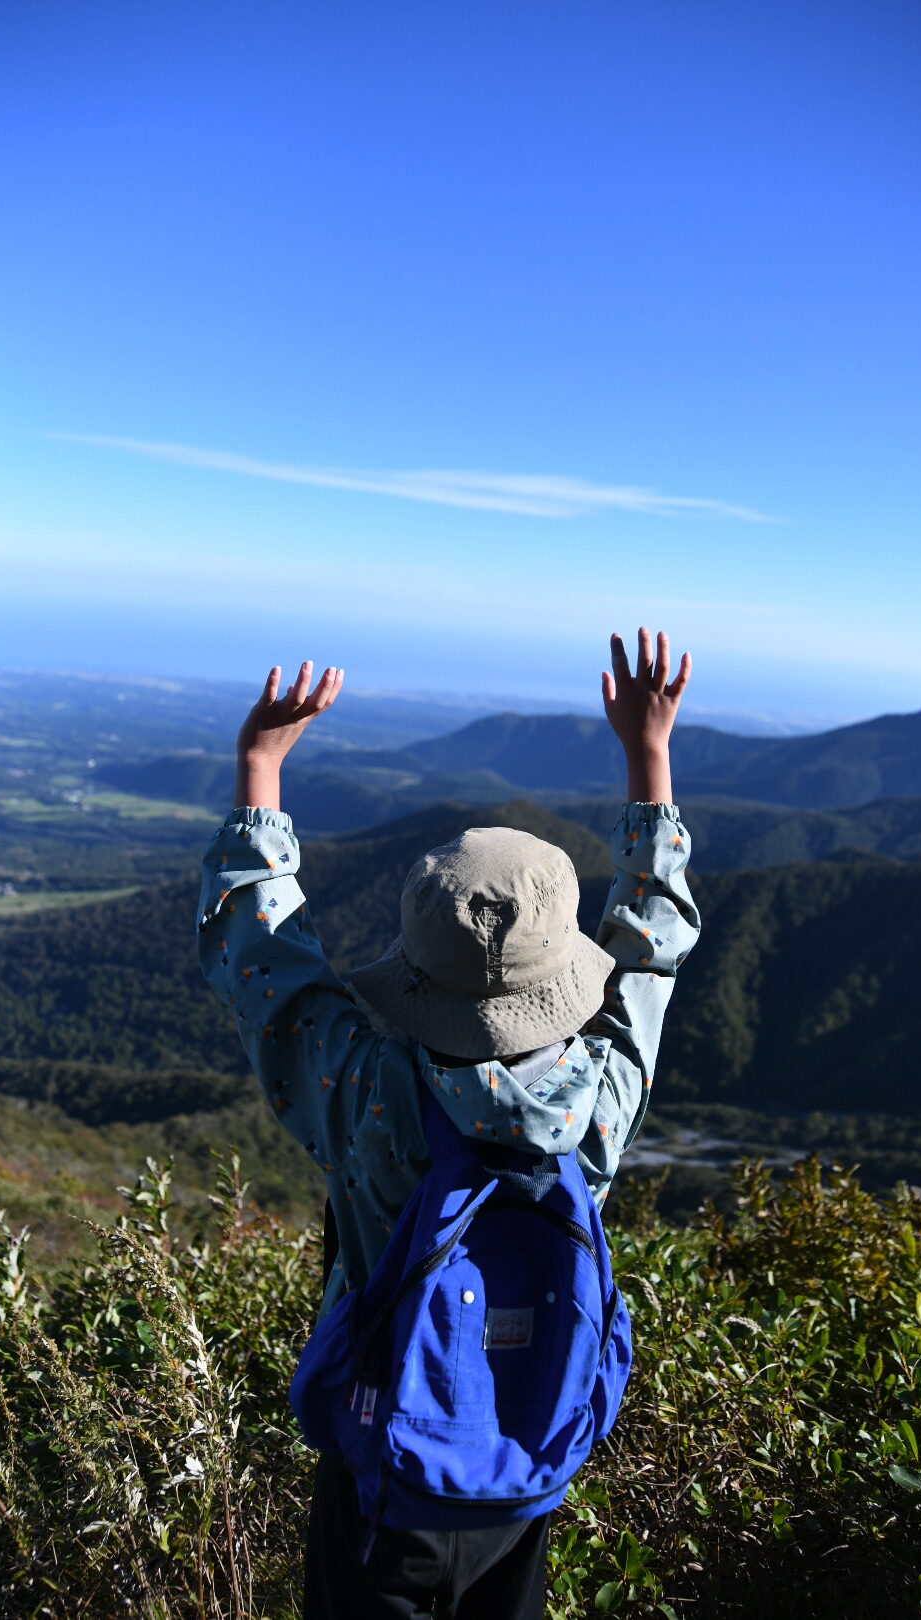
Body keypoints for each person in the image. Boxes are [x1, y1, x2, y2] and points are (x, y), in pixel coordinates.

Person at [196, 626, 701, 1620]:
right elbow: (652, 946)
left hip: (387, 1472)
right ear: (564, 976)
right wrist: (651, 757)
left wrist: (260, 767)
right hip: (527, 1471)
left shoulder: (369, 1088)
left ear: (418, 973)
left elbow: (266, 964)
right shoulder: (598, 1095)